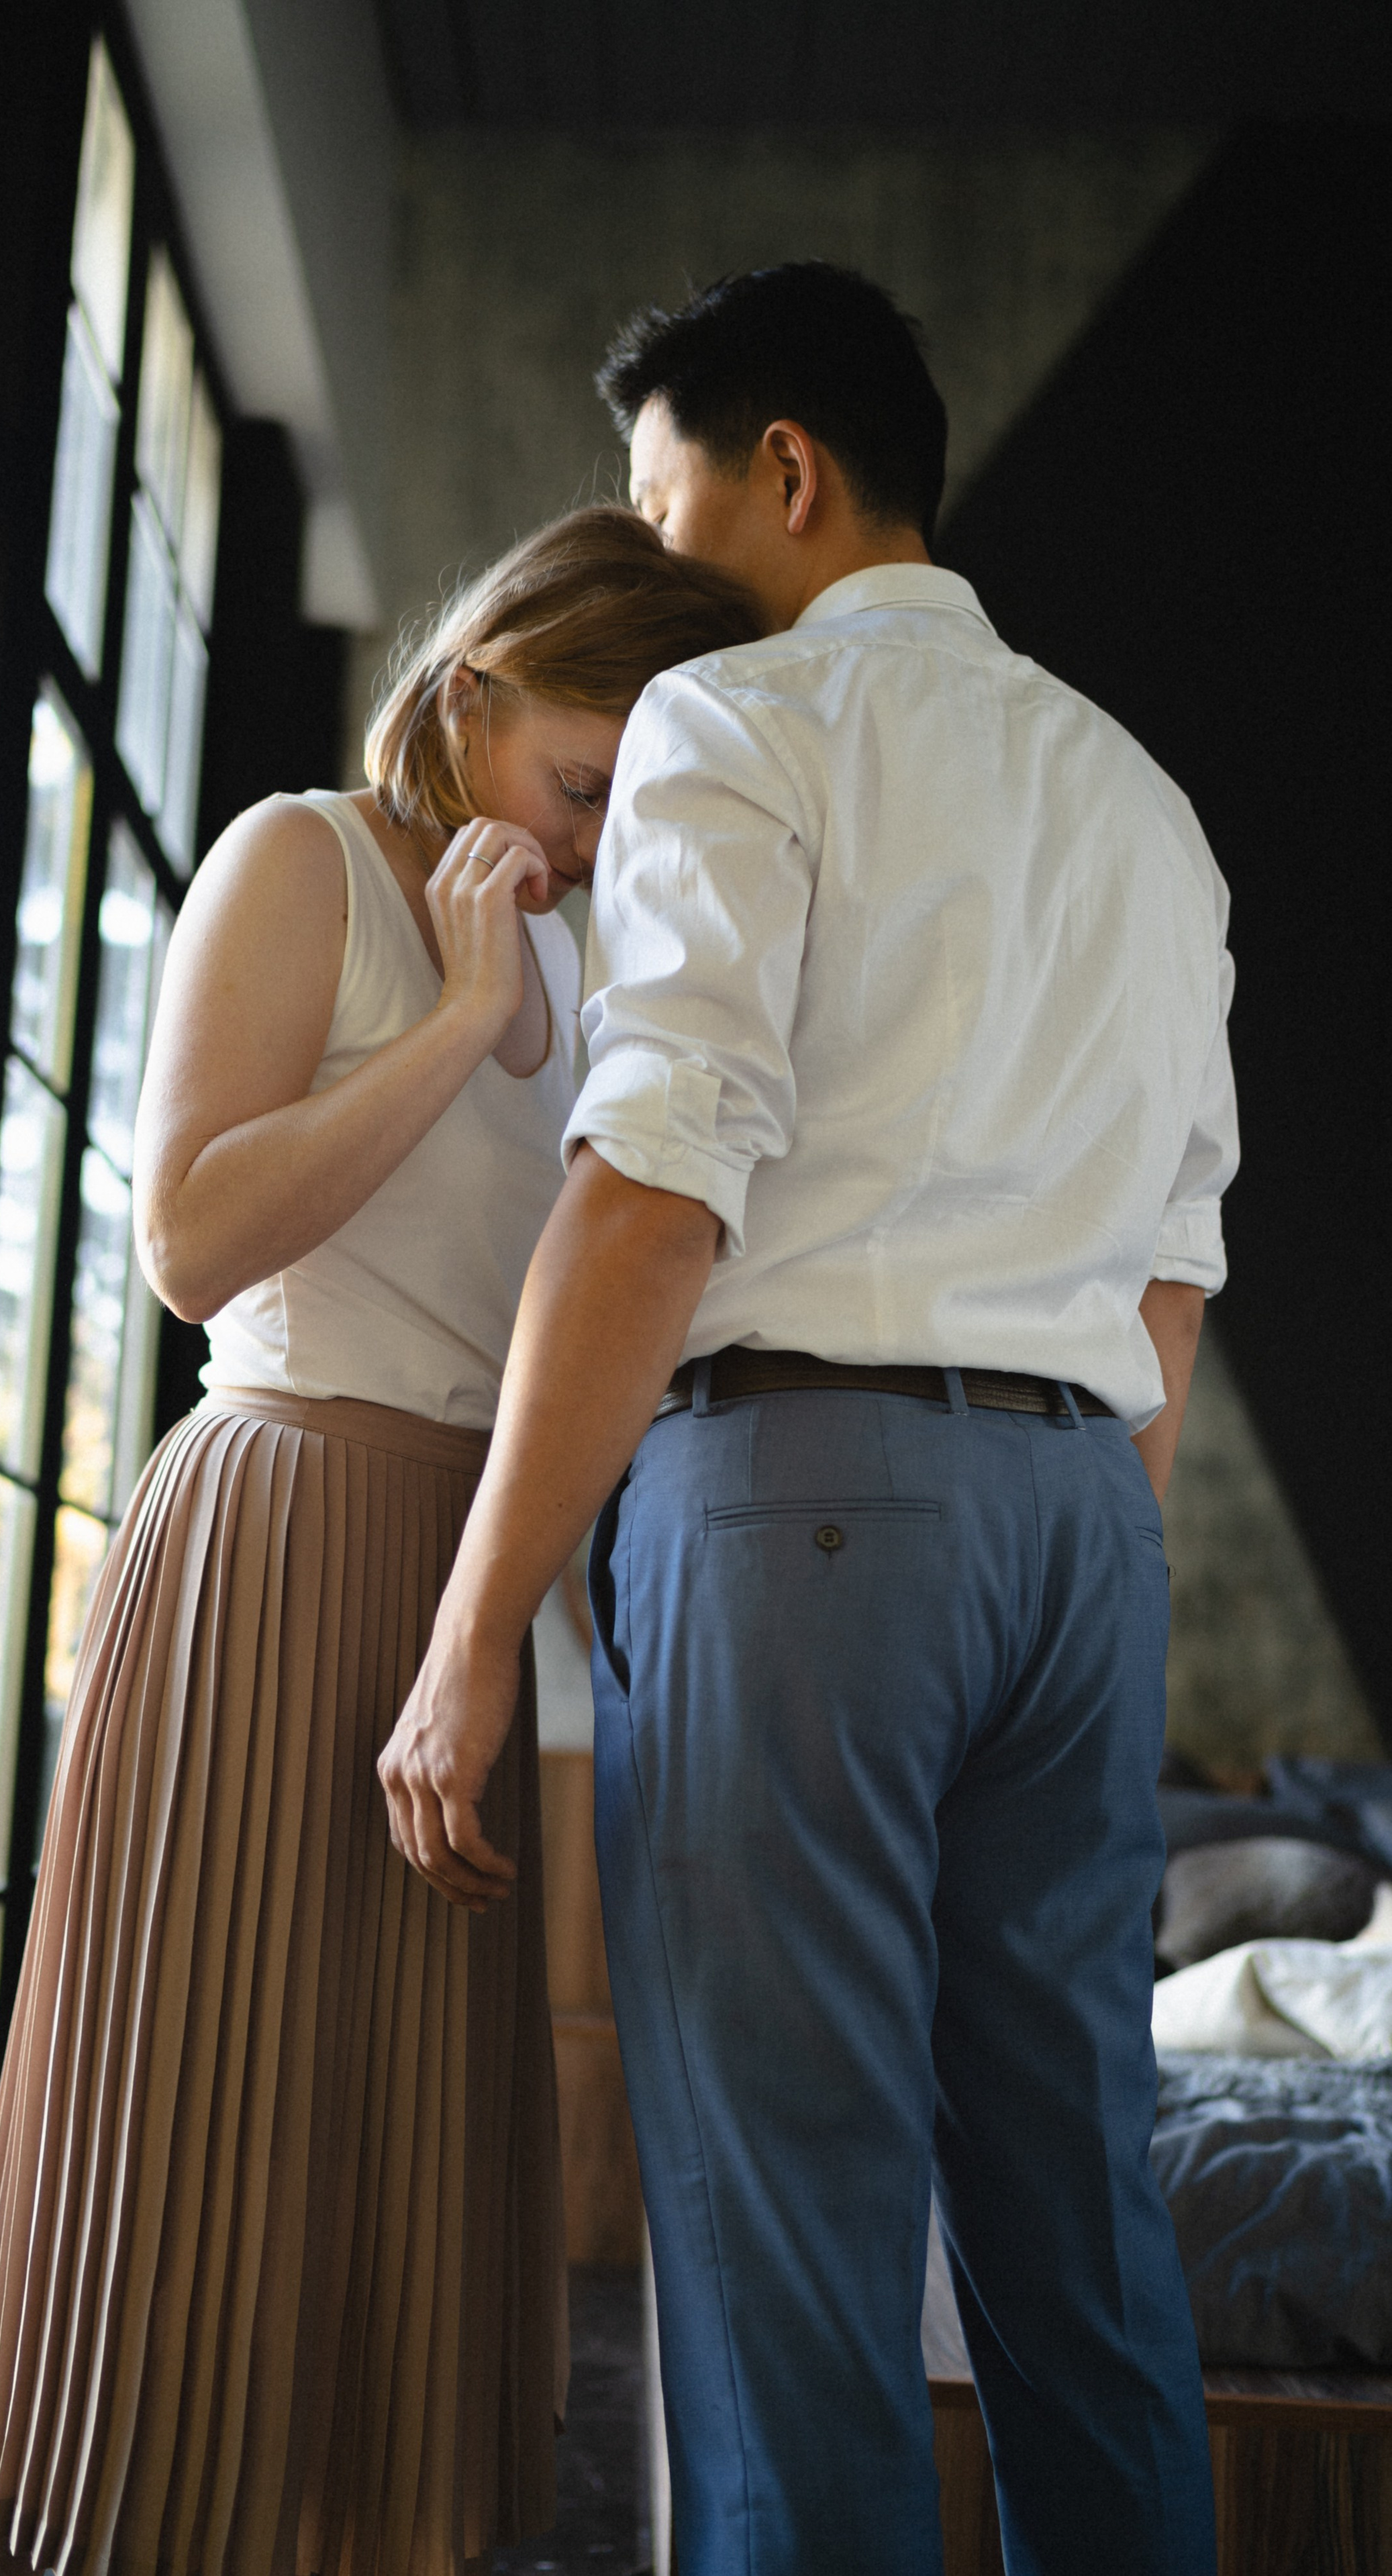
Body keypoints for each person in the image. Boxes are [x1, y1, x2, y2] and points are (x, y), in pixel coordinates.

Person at [379, 264, 1238, 2575]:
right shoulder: (1147, 804)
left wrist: (473, 1642)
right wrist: (1068, 1539)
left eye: (667, 508)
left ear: (788, 471)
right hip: (1083, 1529)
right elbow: (1171, 1269)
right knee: (1081, 2240)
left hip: (806, 1507)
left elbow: (654, 1198)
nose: (653, 572)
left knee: (790, 2270)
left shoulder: (738, 724)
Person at [0, 507, 762, 2576]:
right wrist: (459, 1020)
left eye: (633, 802)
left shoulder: (571, 946)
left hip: (456, 1598)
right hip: (275, 1542)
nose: (582, 838)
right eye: (576, 782)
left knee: (386, 2199)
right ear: (472, 697)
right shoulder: (303, 856)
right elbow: (191, 1244)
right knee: (160, 2151)